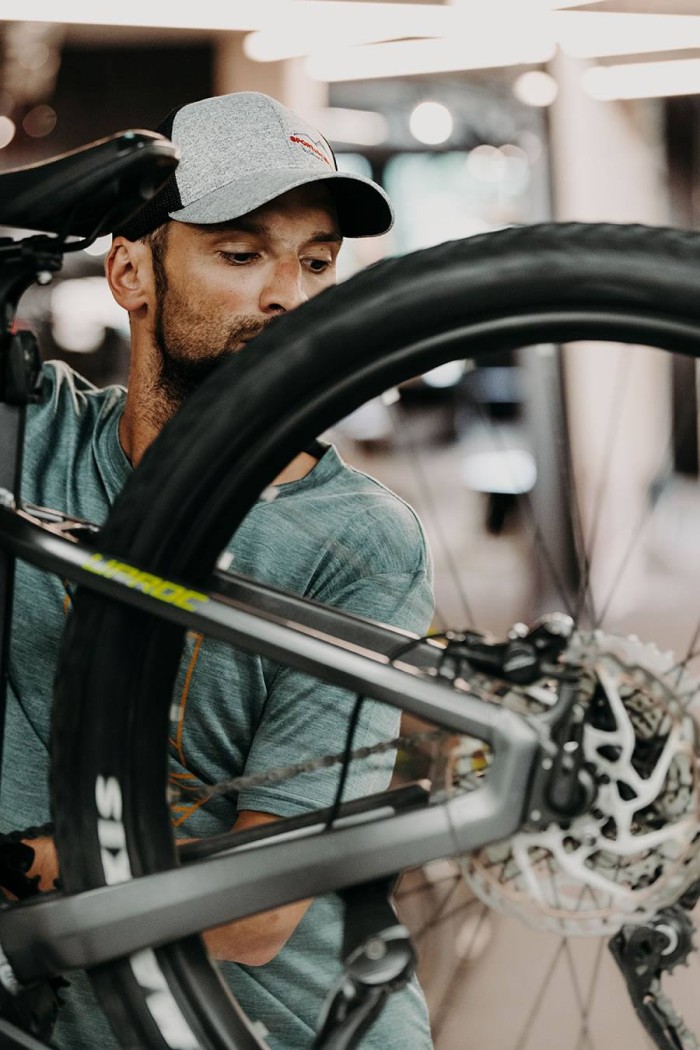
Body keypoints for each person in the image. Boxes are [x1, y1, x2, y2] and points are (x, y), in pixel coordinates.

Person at [1, 91, 435, 1049]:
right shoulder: (33, 437)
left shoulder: (361, 540)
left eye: (317, 262)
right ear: (129, 272)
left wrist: (20, 864)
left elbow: (255, 913)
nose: (290, 294)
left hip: (285, 1031)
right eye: (242, 254)